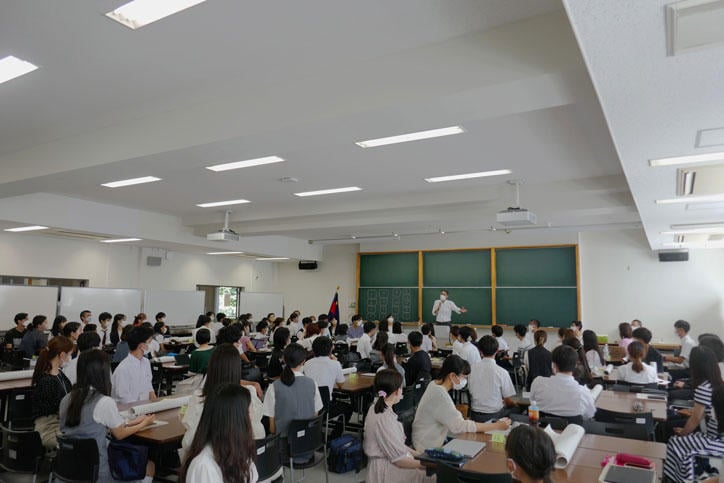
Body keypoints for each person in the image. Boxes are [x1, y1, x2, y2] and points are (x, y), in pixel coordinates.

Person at [59, 350, 156, 482]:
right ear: (103, 372)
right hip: (99, 473)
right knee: (149, 465)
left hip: (69, 470)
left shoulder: (66, 399)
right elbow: (120, 434)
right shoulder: (104, 402)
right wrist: (145, 423)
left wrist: (132, 422)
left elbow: (91, 426)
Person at [181, 344, 265, 461]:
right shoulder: (248, 394)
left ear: (211, 367)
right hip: (248, 460)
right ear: (237, 369)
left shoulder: (200, 397)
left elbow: (189, 442)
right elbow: (258, 430)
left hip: (212, 462)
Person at [412, 355, 510, 451]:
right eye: (463, 377)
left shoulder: (434, 384)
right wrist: (496, 426)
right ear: (452, 376)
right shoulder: (440, 394)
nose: (465, 381)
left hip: (430, 439)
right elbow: (459, 425)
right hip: (426, 448)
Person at [664, 348, 724, 482]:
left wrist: (683, 433)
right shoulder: (718, 383)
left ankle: (679, 478)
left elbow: (696, 418)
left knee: (674, 441)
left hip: (715, 439)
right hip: (716, 436)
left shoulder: (703, 388)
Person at [364, 370, 432, 483]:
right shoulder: (384, 418)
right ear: (397, 391)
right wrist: (428, 464)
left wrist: (421, 455)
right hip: (386, 471)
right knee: (433, 476)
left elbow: (396, 445)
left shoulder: (376, 408)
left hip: (387, 464)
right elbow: (399, 460)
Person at [181, 384, 258, 483]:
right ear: (236, 420)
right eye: (249, 413)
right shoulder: (204, 466)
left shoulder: (238, 452)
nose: (252, 418)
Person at [263, 343, 323, 463]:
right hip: (309, 446)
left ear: (284, 360)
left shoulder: (274, 387)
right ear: (304, 361)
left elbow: (272, 428)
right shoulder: (312, 383)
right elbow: (315, 416)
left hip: (284, 450)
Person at [529, 345, 596, 419]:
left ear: (553, 364)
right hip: (572, 426)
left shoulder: (538, 383)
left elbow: (532, 402)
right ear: (575, 365)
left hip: (542, 425)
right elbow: (590, 414)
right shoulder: (583, 393)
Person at [303, 336, 353, 436]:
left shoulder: (307, 363)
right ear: (331, 349)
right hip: (325, 407)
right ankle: (334, 436)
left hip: (307, 405)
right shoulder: (335, 364)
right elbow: (341, 384)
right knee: (348, 407)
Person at [31, 336, 74, 449]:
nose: (70, 358)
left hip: (62, 424)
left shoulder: (60, 374)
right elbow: (57, 409)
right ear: (62, 355)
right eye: (69, 355)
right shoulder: (47, 381)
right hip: (49, 429)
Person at [468, 335, 516, 422]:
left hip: (474, 415)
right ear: (497, 351)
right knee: (517, 409)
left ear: (480, 351)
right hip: (495, 415)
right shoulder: (502, 372)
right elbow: (508, 401)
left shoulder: (471, 369)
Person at [111, 326, 157, 404]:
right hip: (128, 409)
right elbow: (123, 398)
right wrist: (141, 409)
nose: (152, 344)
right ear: (141, 345)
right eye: (150, 341)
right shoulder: (123, 369)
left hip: (144, 407)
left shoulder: (146, 362)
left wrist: (156, 404)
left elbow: (149, 386)